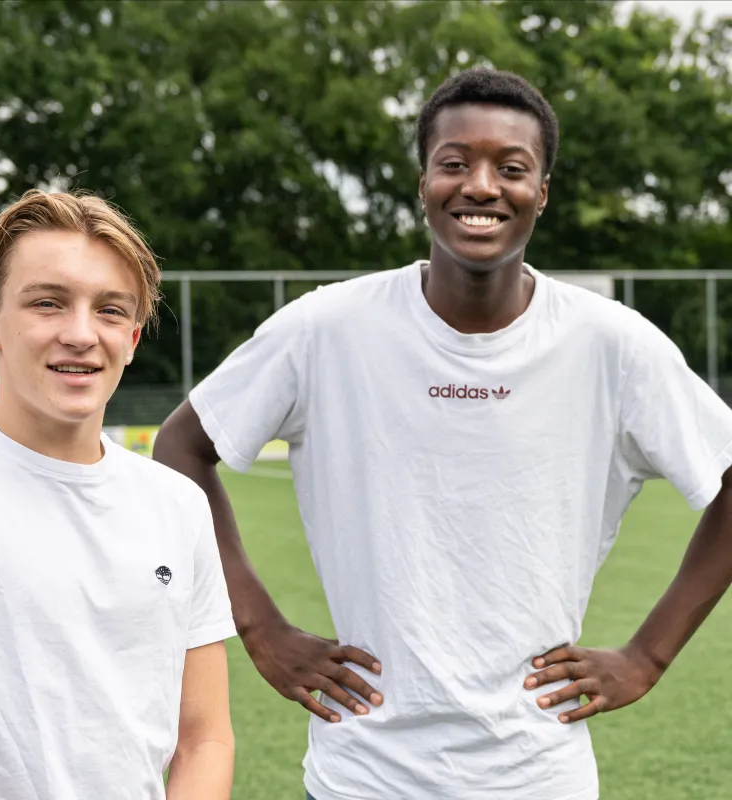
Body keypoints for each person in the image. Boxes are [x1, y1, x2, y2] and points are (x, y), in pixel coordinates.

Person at [153, 67, 732, 800]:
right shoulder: (326, 328)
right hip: (362, 774)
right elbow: (179, 449)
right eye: (454, 163)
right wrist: (260, 626)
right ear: (423, 182)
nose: (481, 186)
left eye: (511, 168)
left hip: (537, 775)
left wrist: (647, 655)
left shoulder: (611, 345)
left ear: (542, 192)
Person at [0, 190, 236, 800]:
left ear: (133, 336)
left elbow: (204, 736)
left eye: (110, 310)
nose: (80, 334)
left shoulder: (177, 504)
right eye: (48, 303)